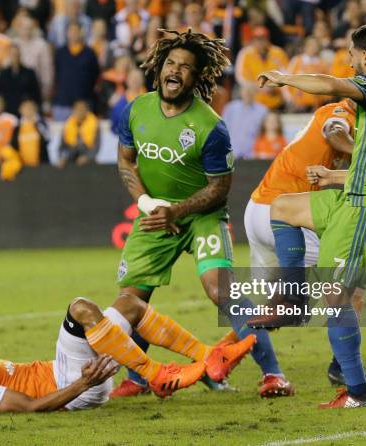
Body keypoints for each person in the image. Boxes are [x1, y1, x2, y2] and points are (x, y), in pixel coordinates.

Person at [113, 29, 292, 399]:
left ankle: (273, 374)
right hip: (155, 213)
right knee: (131, 299)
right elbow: (126, 163)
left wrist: (176, 210)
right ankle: (138, 376)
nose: (175, 71)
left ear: (196, 79)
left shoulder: (211, 127)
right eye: (170, 63)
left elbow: (219, 188)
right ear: (159, 68)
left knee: (219, 289)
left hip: (202, 214)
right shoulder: (136, 110)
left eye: (185, 67)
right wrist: (149, 205)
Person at [256, 23, 366, 408]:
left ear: (365, 56)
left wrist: (285, 78)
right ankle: (293, 300)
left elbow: (331, 84)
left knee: (336, 298)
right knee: (282, 207)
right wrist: (334, 176)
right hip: (358, 198)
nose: (348, 60)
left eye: (351, 53)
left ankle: (357, 393)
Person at [0, 295, 255, 413]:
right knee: (80, 308)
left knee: (129, 304)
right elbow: (27, 407)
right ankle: (156, 374)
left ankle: (210, 356)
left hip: (75, 377)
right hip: (72, 386)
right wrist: (82, 385)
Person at [52, 22, 100, 121]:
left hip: (84, 104)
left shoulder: (89, 53)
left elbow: (95, 75)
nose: (73, 33)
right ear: (66, 33)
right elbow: (56, 75)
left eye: (76, 31)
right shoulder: (60, 53)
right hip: (63, 103)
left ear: (81, 33)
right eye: (71, 31)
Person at [235, 26, 288, 110]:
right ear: (253, 40)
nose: (260, 42)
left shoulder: (278, 52)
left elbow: (286, 74)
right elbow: (241, 77)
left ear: (268, 39)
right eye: (257, 39)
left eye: (262, 38)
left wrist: (273, 86)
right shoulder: (245, 53)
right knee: (243, 90)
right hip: (254, 99)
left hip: (275, 98)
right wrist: (259, 87)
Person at [222, 84, 268, 159]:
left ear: (256, 93)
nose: (248, 94)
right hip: (232, 153)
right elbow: (222, 130)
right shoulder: (231, 108)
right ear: (241, 92)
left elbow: (266, 132)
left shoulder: (262, 111)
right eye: (246, 91)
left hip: (253, 155)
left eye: (251, 92)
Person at [0, 45, 41, 117]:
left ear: (20, 55)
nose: (15, 57)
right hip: (8, 112)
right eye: (12, 54)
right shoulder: (3, 74)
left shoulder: (29, 72)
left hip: (25, 113)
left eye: (16, 54)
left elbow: (36, 94)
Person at [58, 100, 100, 168]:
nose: (79, 112)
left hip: (88, 162)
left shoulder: (94, 125)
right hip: (70, 160)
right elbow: (62, 147)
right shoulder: (68, 125)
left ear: (87, 111)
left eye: (82, 109)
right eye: (77, 109)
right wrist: (62, 158)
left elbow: (96, 146)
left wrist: (87, 157)